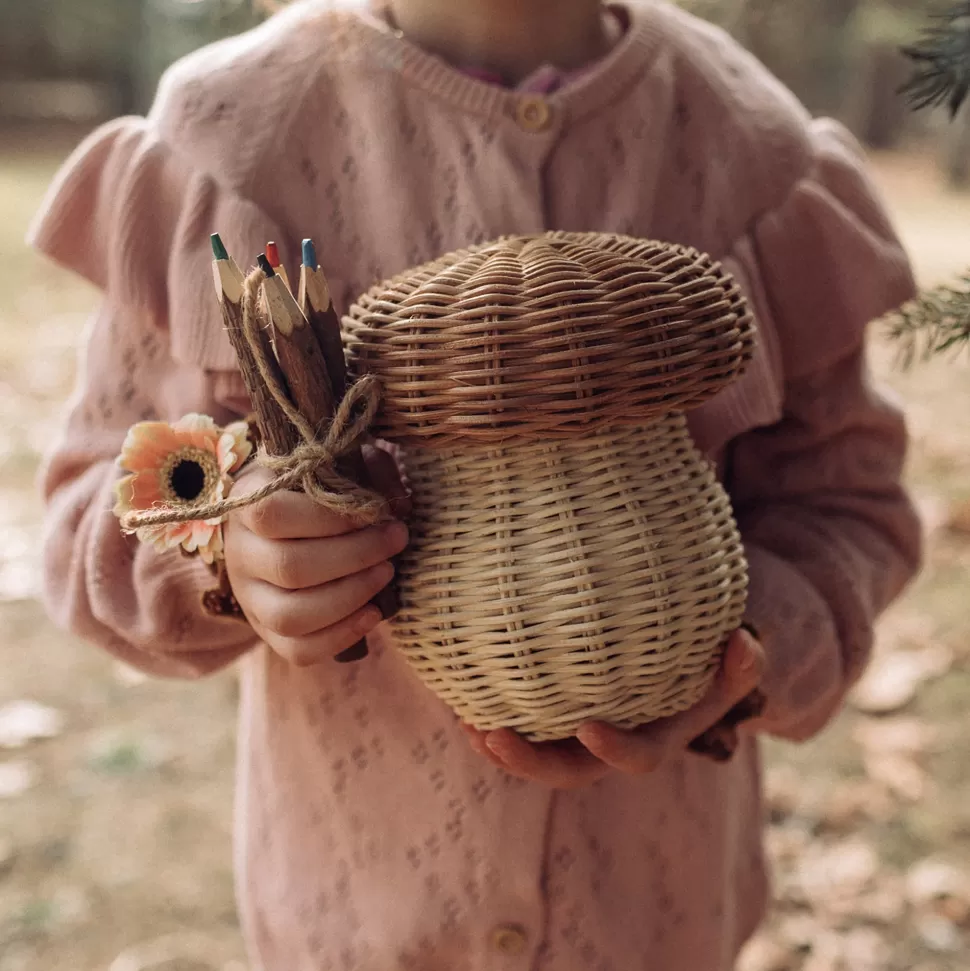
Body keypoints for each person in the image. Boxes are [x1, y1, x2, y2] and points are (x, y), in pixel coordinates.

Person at [29, 0, 922, 968]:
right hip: (356, 919)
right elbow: (94, 520)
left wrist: (732, 661)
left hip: (658, 914)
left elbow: (847, 507)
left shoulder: (751, 143)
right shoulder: (229, 135)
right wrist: (231, 558)